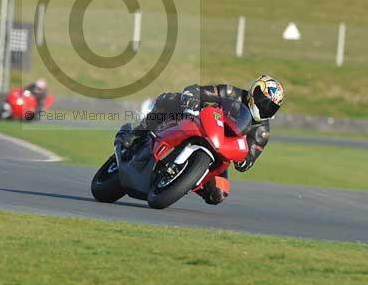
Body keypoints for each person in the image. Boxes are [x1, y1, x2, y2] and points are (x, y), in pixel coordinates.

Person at [116, 74, 284, 205]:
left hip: (221, 151)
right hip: (203, 125)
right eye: (263, 101)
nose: (265, 107)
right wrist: (193, 96)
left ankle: (184, 182)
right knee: (171, 99)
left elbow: (248, 160)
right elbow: (199, 91)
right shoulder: (232, 93)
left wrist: (243, 161)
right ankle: (138, 132)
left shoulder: (262, 132)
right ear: (254, 93)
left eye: (271, 106)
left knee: (218, 193)